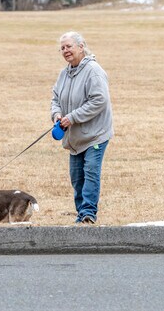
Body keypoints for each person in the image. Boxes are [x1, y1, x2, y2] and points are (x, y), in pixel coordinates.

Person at [51, 31, 114, 224]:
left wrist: (73, 117)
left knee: (90, 174)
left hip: (95, 135)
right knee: (77, 178)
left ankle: (88, 213)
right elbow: (55, 98)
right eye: (62, 48)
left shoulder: (93, 70)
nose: (65, 51)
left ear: (81, 46)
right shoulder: (65, 73)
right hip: (75, 137)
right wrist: (57, 114)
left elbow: (99, 100)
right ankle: (81, 213)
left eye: (69, 46)